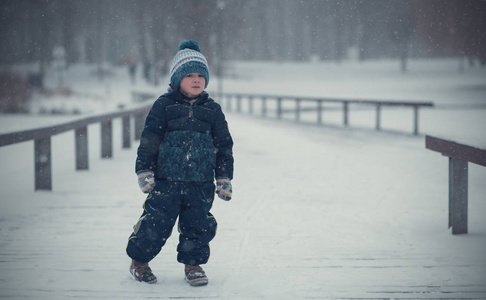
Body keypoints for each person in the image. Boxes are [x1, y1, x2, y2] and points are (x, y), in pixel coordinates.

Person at [126, 40, 234, 287]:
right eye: (189, 75)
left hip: (201, 182)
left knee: (197, 226)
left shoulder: (213, 110)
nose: (196, 80)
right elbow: (149, 141)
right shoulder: (164, 106)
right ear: (176, 79)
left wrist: (224, 177)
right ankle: (139, 262)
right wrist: (144, 170)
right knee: (155, 224)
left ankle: (193, 266)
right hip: (166, 181)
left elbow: (224, 146)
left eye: (201, 75)